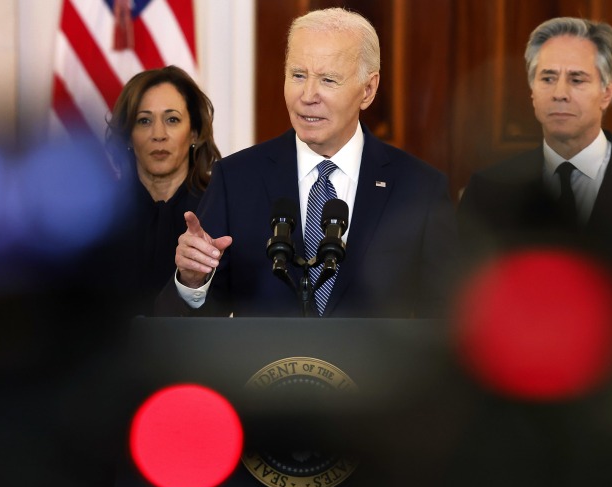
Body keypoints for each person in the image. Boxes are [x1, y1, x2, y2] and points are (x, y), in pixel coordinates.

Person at [156, 7, 457, 318]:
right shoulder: (236, 180)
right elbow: (181, 331)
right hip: (264, 368)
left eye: (328, 80)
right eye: (298, 75)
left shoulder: (420, 188)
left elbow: (447, 320)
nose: (308, 95)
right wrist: (192, 281)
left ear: (368, 90)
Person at [457, 17, 612, 340]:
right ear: (532, 91)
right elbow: (464, 312)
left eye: (577, 79)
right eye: (548, 78)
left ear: (607, 92)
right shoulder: (490, 189)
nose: (560, 93)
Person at [105, 65, 222, 315]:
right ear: (127, 136)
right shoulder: (100, 215)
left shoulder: (219, 205)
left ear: (193, 132)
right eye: (144, 120)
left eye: (172, 119)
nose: (158, 135)